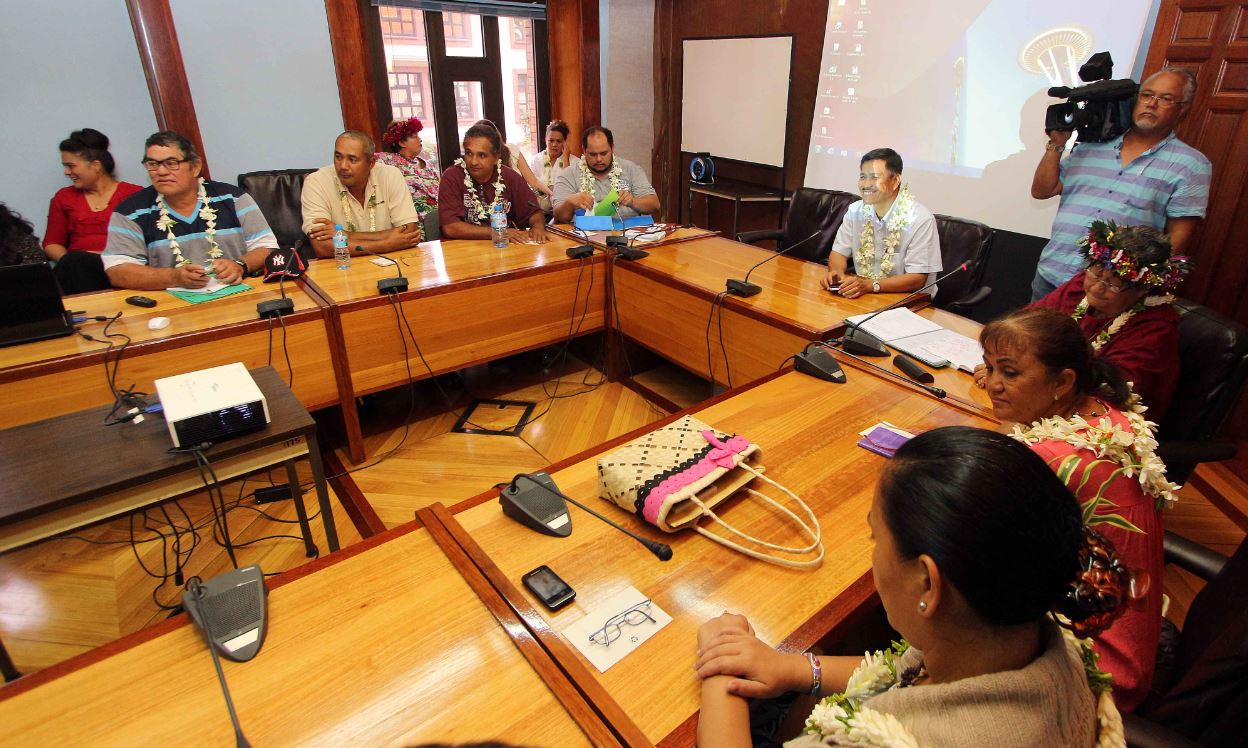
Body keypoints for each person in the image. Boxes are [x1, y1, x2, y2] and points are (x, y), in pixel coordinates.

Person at [695, 427, 1129, 746]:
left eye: (875, 538)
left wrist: (721, 666)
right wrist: (794, 669)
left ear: (927, 582)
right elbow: (904, 670)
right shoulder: (1029, 634)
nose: (872, 554)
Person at [980, 307, 1177, 712]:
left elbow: (978, 548)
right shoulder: (1103, 414)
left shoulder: (1055, 459)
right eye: (989, 368)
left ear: (1063, 381)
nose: (992, 385)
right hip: (1132, 628)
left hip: (1094, 669)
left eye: (1010, 373)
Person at [973, 221, 1188, 421]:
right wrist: (1001, 366)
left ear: (1143, 289)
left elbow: (1108, 390)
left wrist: (1015, 376)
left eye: (1113, 285)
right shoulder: (1079, 288)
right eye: (1095, 273)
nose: (1096, 288)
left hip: (1095, 422)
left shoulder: (1156, 328)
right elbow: (1024, 330)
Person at [1029, 67, 1212, 300]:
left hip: (1110, 291)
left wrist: (1139, 283)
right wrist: (1056, 144)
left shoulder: (1192, 164)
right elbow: (1043, 190)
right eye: (1147, 95)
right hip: (1052, 275)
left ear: (1183, 108)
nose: (1151, 104)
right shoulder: (1091, 146)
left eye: (1165, 98)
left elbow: (1178, 237)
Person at [103, 131, 279, 291]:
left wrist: (240, 265)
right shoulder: (130, 211)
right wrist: (173, 277)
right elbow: (117, 270)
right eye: (153, 164)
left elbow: (267, 247)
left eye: (171, 163)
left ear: (195, 167)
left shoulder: (233, 198)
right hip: (169, 304)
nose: (161, 171)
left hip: (236, 293)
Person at [823, 148, 942, 299]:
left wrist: (871, 285)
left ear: (895, 180)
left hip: (909, 301)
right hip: (864, 295)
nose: (866, 184)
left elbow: (917, 279)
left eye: (874, 177)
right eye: (863, 177)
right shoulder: (855, 211)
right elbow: (838, 254)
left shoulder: (920, 219)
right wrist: (837, 275)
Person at [302, 130, 422, 258]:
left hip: (392, 264)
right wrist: (386, 244)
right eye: (338, 157)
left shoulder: (390, 175)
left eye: (352, 159)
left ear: (371, 163)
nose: (343, 166)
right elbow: (323, 247)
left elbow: (409, 233)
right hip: (342, 268)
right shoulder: (316, 182)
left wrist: (346, 235)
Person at [437, 123, 546, 243]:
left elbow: (534, 213)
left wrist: (538, 228)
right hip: (464, 252)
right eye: (469, 153)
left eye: (481, 155)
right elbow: (450, 228)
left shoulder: (510, 177)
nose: (473, 161)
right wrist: (497, 233)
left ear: (496, 158)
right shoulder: (451, 177)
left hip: (503, 250)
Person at [43, 129, 142, 262]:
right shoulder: (64, 198)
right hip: (80, 274)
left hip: (126, 269)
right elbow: (52, 243)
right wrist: (73, 264)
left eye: (71, 166)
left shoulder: (135, 195)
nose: (66, 172)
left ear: (96, 165)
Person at [552, 126, 660, 223]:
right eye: (593, 154)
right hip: (584, 238)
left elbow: (654, 204)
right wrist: (570, 203)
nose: (599, 159)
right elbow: (558, 217)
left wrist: (632, 201)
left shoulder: (631, 169)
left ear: (612, 148)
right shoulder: (568, 175)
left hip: (627, 235)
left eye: (604, 153)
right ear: (584, 150)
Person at [375, 117, 439, 222]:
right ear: (401, 143)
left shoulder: (428, 165)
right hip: (409, 222)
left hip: (436, 220)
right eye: (415, 136)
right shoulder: (386, 161)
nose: (420, 139)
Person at [474, 119, 550, 203]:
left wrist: (550, 194)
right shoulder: (476, 162)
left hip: (520, 204)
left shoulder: (511, 149)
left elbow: (533, 181)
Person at [528, 119, 579, 213]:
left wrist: (565, 159)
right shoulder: (536, 160)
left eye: (559, 141)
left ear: (565, 142)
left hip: (564, 212)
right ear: (545, 140)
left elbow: (570, 187)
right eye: (551, 140)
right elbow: (531, 187)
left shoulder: (575, 162)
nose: (554, 145)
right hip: (539, 210)